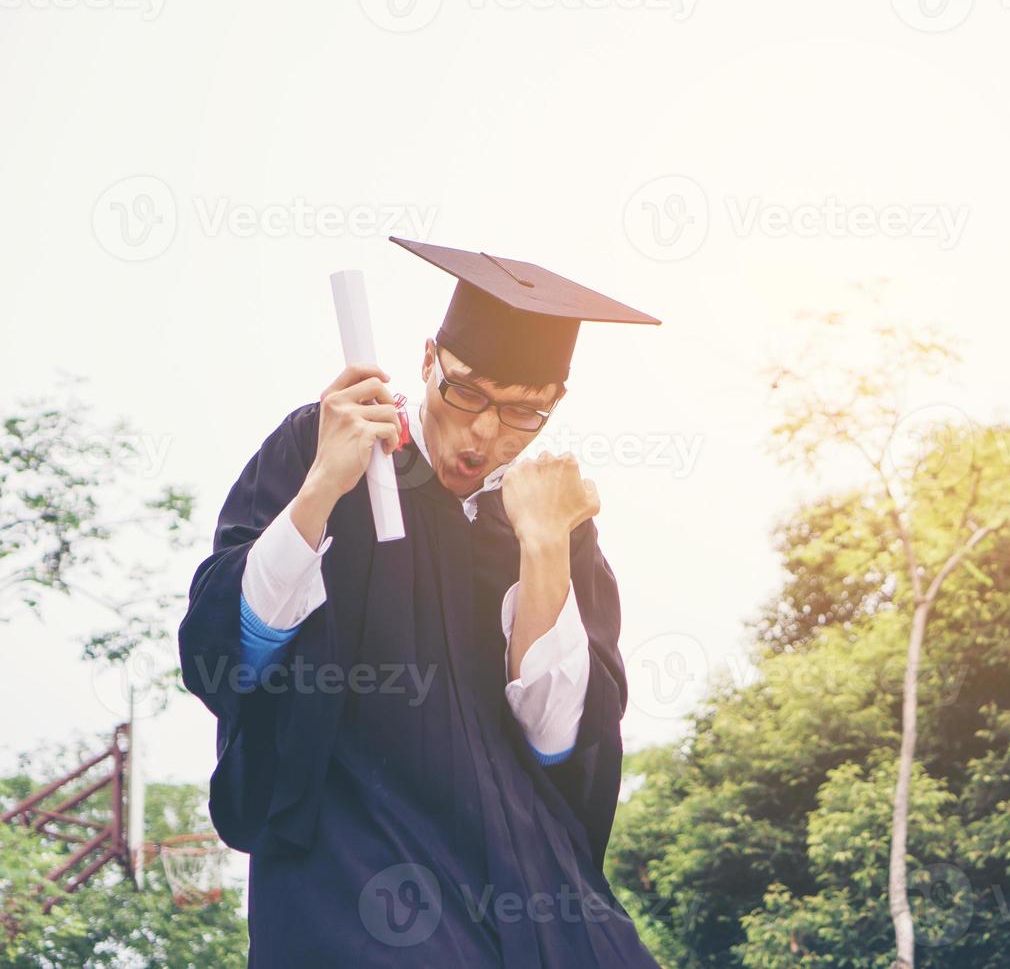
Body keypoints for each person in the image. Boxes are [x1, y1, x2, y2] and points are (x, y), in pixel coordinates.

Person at [178, 237, 662, 966]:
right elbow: (228, 655)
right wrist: (323, 487)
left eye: (523, 411)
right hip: (361, 865)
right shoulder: (330, 443)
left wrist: (542, 547)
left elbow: (559, 741)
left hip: (533, 883)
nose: (486, 430)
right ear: (428, 359)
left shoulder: (552, 516)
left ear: (555, 404)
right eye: (465, 392)